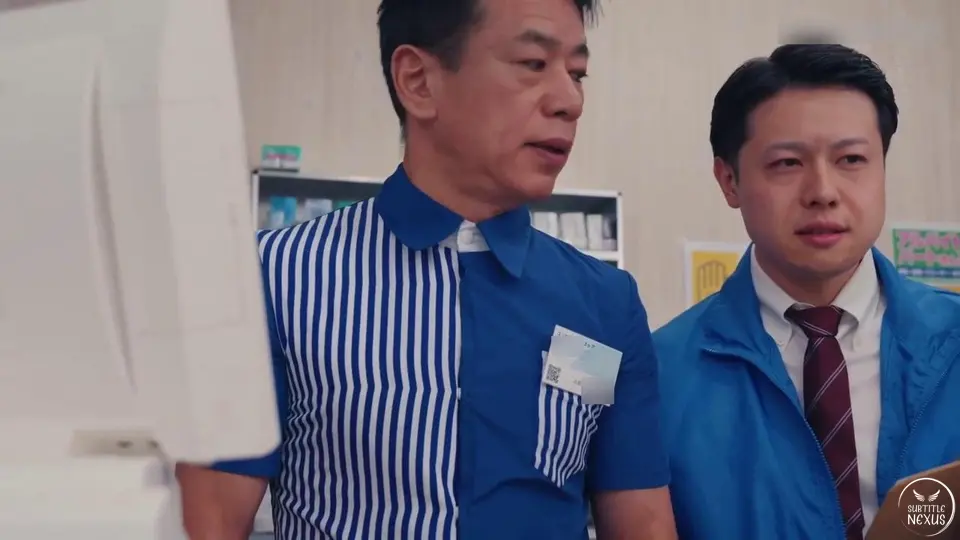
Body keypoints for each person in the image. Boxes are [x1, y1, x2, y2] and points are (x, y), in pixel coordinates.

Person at [176, 0, 678, 538]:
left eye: (577, 73)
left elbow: (642, 520)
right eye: (533, 64)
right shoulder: (274, 278)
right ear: (417, 81)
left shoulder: (603, 304)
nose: (570, 101)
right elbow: (209, 523)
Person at [654, 43, 960, 540]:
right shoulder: (660, 375)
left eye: (851, 159)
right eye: (787, 163)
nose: (823, 191)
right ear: (729, 180)